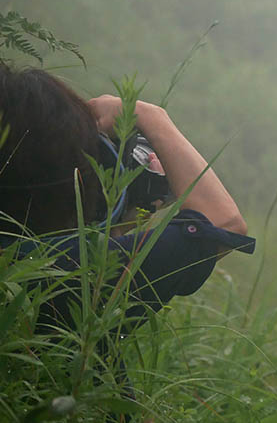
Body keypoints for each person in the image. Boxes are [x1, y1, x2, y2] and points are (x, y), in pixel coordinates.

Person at [0, 62, 254, 333]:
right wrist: (150, 116)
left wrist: (120, 220)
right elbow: (223, 224)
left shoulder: (15, 271)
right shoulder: (63, 270)